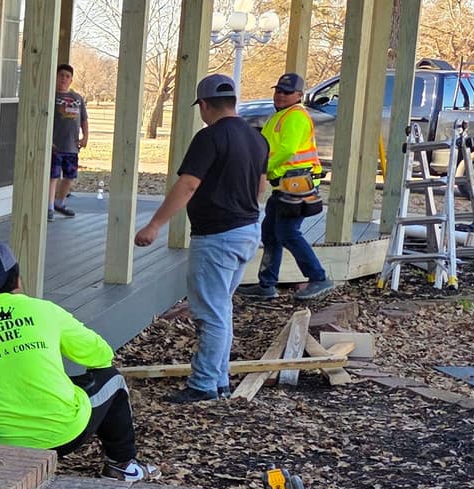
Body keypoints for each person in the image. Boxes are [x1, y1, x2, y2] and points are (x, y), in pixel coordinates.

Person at [0, 236, 155, 477]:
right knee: (112, 379)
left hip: (2, 443)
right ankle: (122, 467)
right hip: (64, 434)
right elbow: (101, 355)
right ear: (16, 280)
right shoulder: (43, 309)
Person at [134, 73, 268, 403]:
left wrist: (154, 225)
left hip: (218, 237)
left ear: (205, 105)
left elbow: (188, 185)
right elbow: (261, 187)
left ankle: (204, 385)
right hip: (247, 232)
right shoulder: (257, 138)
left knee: (210, 313)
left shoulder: (209, 139)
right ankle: (219, 379)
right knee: (220, 309)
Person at [255, 71, 331, 301]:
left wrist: (262, 169)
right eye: (278, 90)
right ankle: (266, 285)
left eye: (286, 92)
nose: (280, 95)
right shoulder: (281, 115)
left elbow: (287, 149)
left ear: (298, 95)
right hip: (285, 185)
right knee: (270, 233)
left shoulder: (296, 116)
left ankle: (318, 278)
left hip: (298, 185)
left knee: (287, 232)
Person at [51, 63, 90, 217]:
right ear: (57, 77)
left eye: (67, 76)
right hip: (55, 146)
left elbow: (84, 120)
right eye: (61, 75)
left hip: (72, 146)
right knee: (53, 176)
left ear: (71, 80)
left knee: (69, 176)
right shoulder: (52, 97)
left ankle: (59, 202)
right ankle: (49, 207)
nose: (64, 79)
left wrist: (85, 136)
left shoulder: (77, 98)